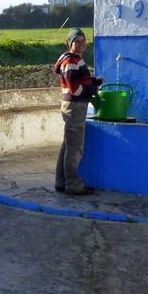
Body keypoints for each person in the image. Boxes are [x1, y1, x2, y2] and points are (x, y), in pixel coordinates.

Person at [53, 27, 103, 195]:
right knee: (74, 149)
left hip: (72, 106)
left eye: (83, 41)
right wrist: (94, 89)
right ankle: (73, 185)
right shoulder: (71, 62)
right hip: (75, 106)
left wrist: (94, 81)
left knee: (67, 145)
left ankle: (61, 182)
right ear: (70, 43)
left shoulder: (72, 60)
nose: (81, 44)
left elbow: (78, 81)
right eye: (77, 41)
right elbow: (75, 89)